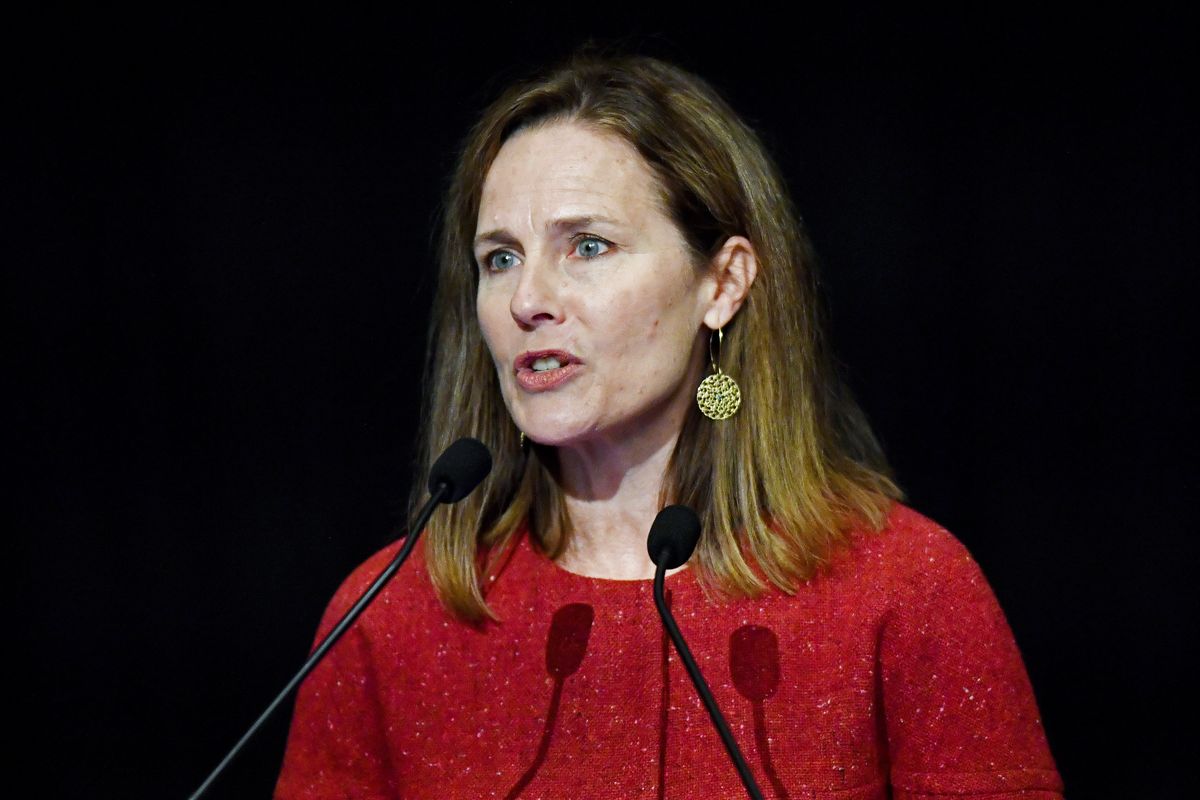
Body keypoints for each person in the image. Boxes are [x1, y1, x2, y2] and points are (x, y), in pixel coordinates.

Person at [275, 51, 1063, 799]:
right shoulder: (388, 618)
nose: (527, 301)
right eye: (500, 259)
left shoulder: (908, 590)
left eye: (587, 246)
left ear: (722, 284)